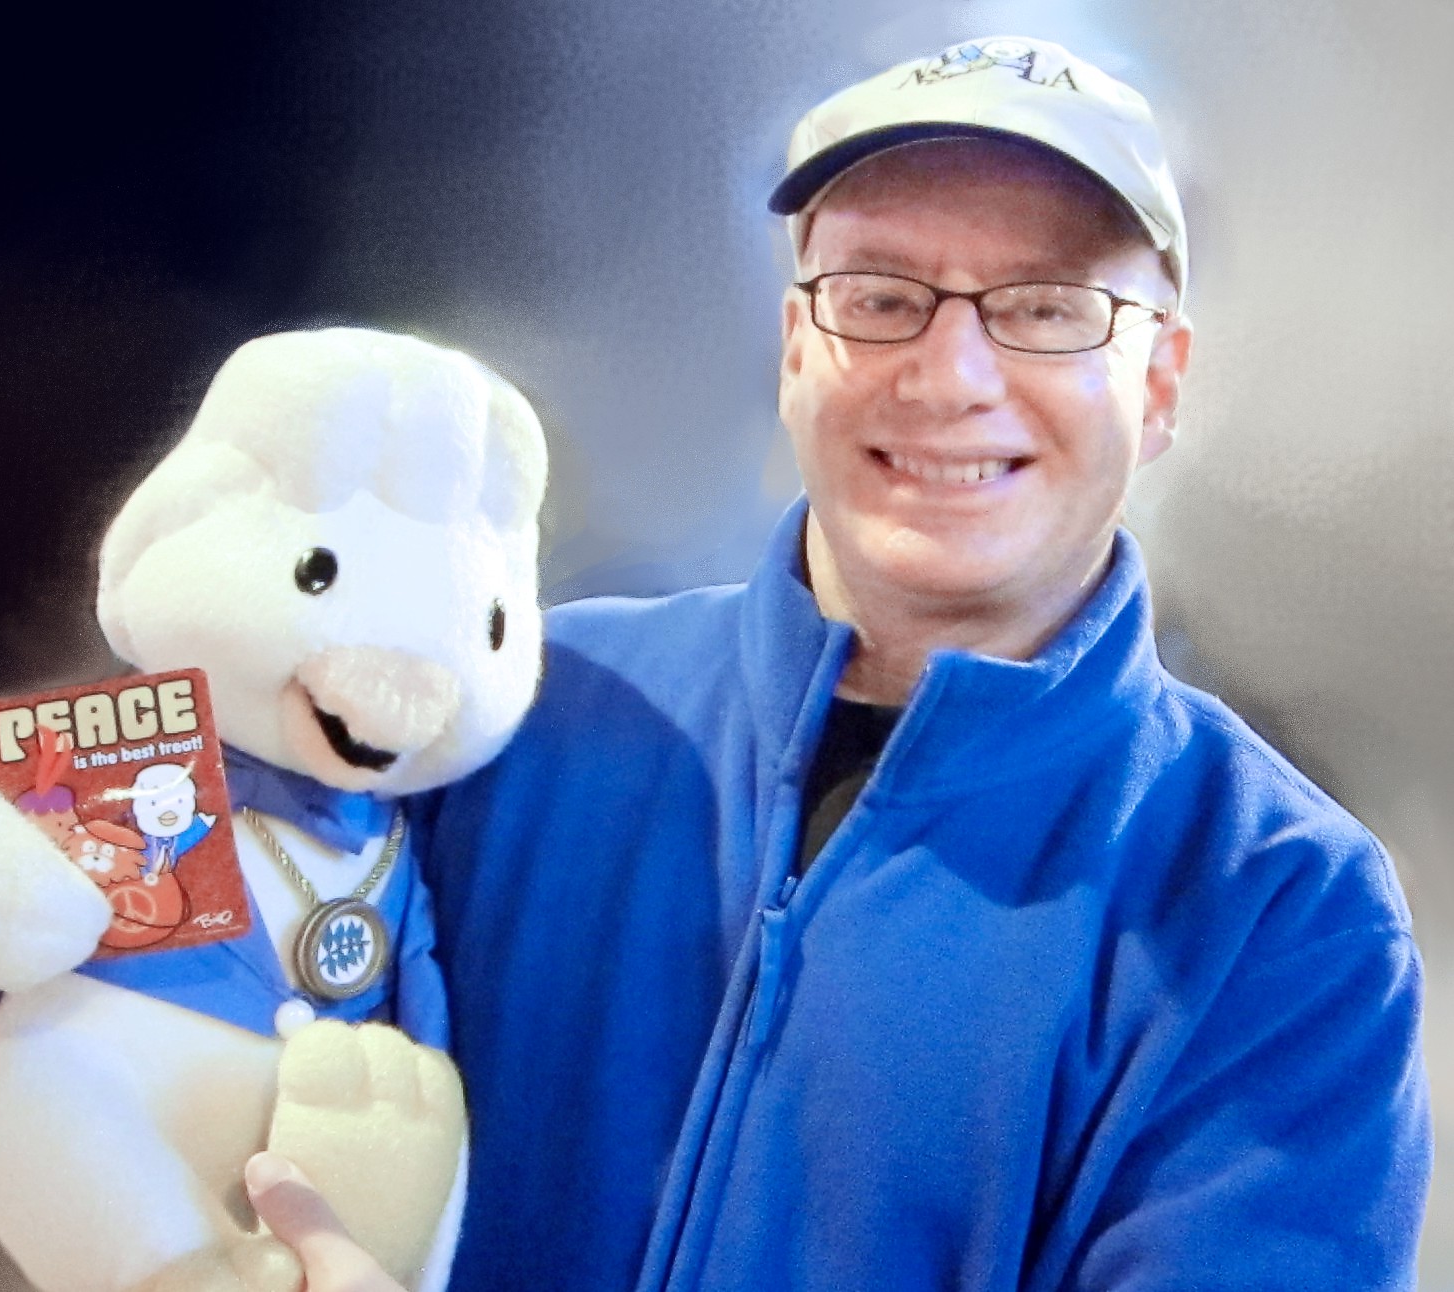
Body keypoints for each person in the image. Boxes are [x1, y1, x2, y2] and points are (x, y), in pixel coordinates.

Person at [228, 33, 1429, 1290]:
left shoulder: (1280, 909)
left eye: (1047, 308)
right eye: (879, 296)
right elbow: (162, 1008)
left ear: (1160, 382)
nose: (950, 377)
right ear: (798, 344)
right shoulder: (506, 715)